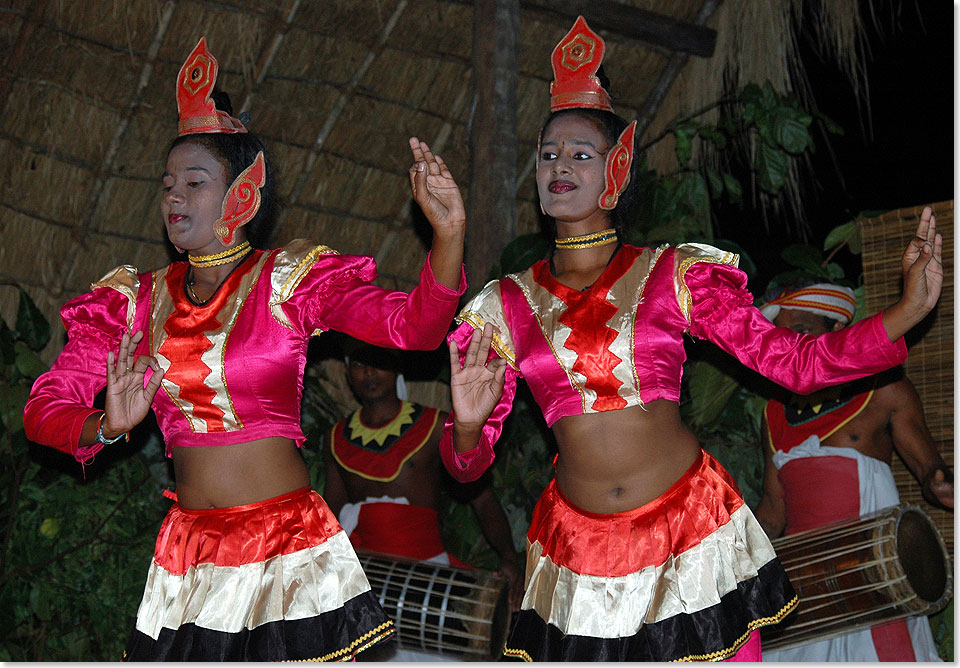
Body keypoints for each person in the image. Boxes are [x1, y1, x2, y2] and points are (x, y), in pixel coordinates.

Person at [435, 16, 943, 663]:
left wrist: (905, 310)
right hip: (578, 552)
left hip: (689, 532)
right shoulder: (505, 305)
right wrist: (472, 430)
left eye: (580, 153)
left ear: (615, 170)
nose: (560, 165)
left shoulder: (673, 275)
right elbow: (464, 469)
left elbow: (794, 363)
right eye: (548, 154)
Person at [23, 37, 467, 662]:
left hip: (286, 550)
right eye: (167, 185)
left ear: (241, 195)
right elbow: (44, 410)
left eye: (194, 183)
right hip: (190, 560)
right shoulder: (134, 302)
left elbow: (414, 330)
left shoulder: (288, 281)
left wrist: (447, 236)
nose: (173, 198)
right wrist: (104, 424)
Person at [753, 280, 951, 662]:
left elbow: (929, 470)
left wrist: (941, 483)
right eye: (782, 337)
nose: (790, 346)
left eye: (802, 332)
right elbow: (773, 509)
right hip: (805, 584)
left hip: (874, 571)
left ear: (837, 333)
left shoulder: (884, 388)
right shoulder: (773, 412)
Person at [321, 341, 524, 660]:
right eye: (359, 365)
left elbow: (481, 499)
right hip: (364, 582)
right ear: (347, 374)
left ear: (397, 367)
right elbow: (329, 521)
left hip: (428, 579)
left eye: (379, 363)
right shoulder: (335, 439)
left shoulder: (435, 426)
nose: (370, 373)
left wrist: (510, 558)